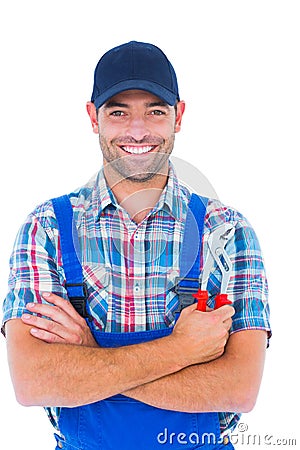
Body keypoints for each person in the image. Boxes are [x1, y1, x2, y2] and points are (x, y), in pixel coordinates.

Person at [2, 41, 271, 450]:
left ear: (178, 116)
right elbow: (33, 381)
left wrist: (88, 359)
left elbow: (238, 390)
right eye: (118, 112)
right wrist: (182, 349)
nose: (138, 130)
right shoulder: (47, 229)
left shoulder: (228, 232)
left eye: (155, 111)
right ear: (93, 118)